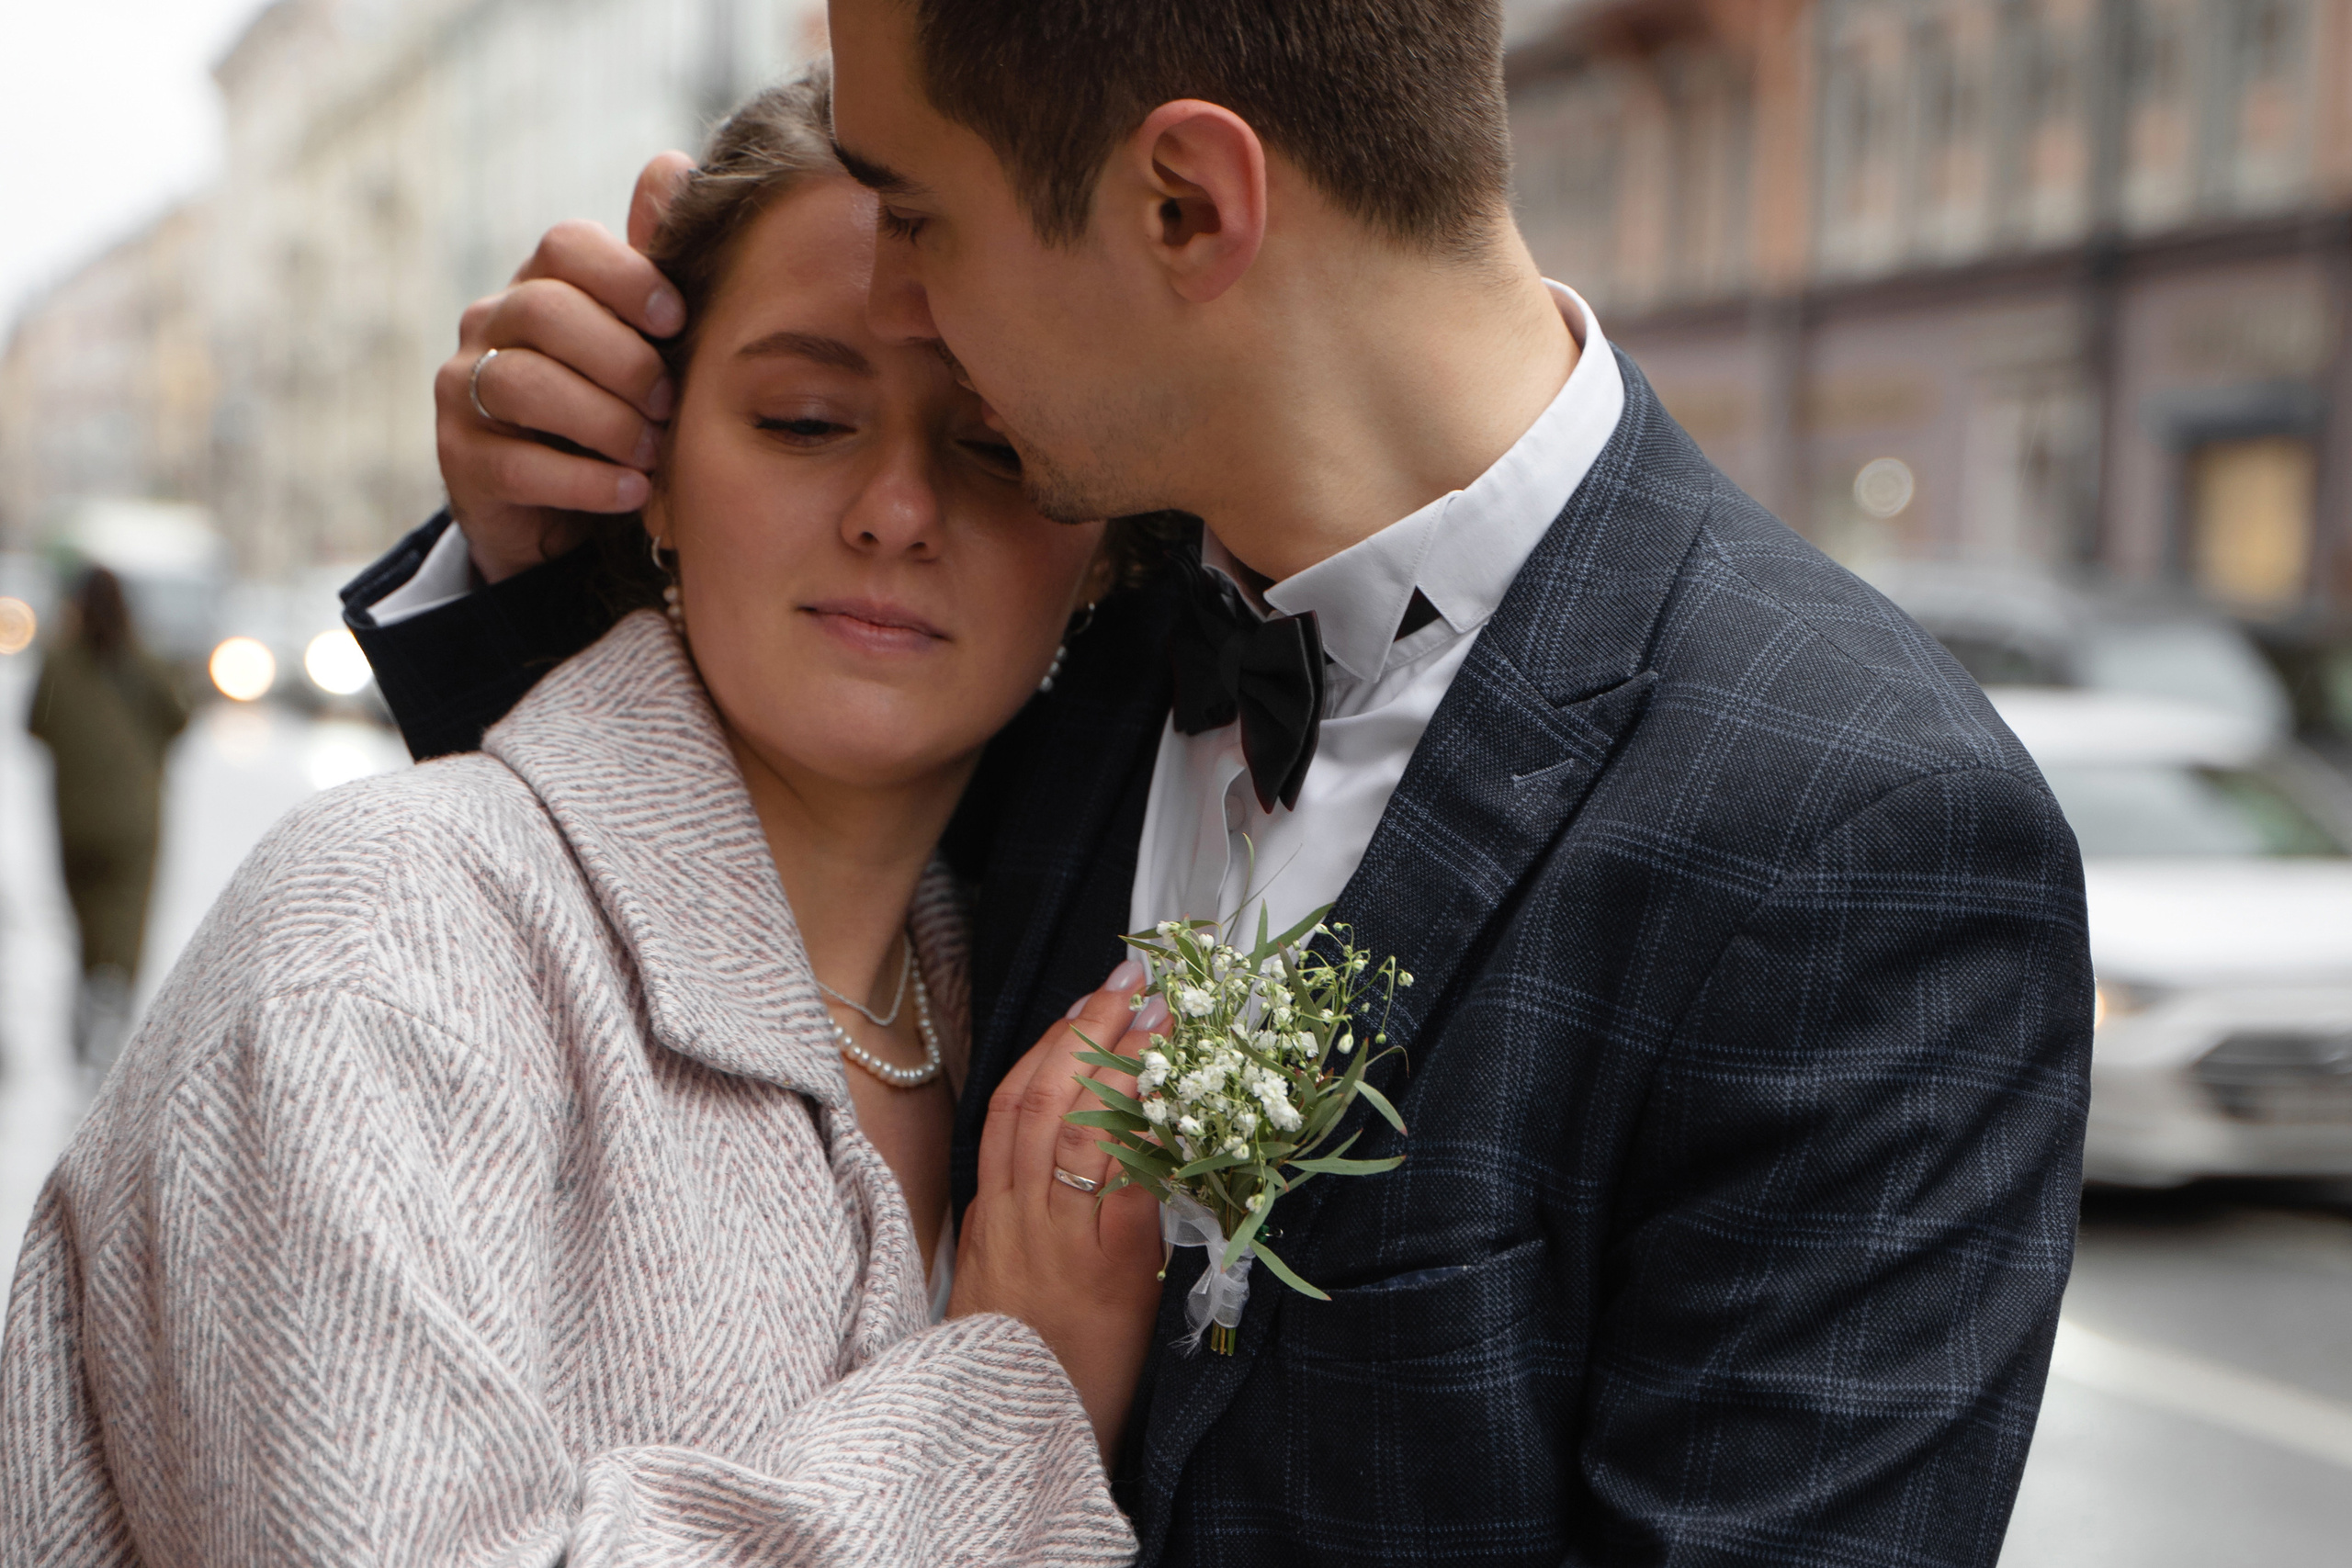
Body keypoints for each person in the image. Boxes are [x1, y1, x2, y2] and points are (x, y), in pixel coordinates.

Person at [335, 3, 2096, 1563]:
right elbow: (684, 921)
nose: (888, 289)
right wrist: (555, 534)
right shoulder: (1062, 615)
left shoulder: (1863, 836)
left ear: (1187, 204)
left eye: (920, 215)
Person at [0, 71, 1171, 1563]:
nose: (895, 507)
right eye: (805, 417)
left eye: (997, 444)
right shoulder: (376, 948)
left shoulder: (1026, 998)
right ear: (652, 475)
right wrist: (1013, 1408)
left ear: (1102, 544)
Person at [25, 565, 188, 1069]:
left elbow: (34, 726)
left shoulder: (58, 664)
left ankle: (92, 995)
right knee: (125, 915)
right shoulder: (144, 662)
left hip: (75, 816)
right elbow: (180, 717)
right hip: (135, 817)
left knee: (86, 917)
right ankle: (109, 1002)